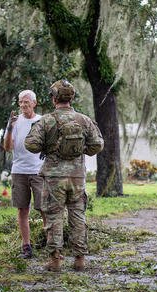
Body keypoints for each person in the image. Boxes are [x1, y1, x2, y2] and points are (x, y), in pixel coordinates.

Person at [25, 79, 104, 272]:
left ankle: (55, 260)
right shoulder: (84, 120)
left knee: (54, 217)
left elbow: (31, 144)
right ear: (72, 98)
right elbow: (98, 144)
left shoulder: (46, 121)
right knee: (78, 216)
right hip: (77, 176)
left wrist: (50, 147)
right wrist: (80, 149)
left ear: (53, 99)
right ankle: (79, 259)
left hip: (54, 177)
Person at [3, 90, 45, 259]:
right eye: (20, 102)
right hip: (19, 170)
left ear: (34, 103)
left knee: (44, 208)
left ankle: (50, 244)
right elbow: (7, 147)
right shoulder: (15, 121)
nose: (23, 105)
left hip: (38, 171)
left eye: (26, 102)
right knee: (22, 209)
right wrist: (10, 128)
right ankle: (26, 246)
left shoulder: (41, 121)